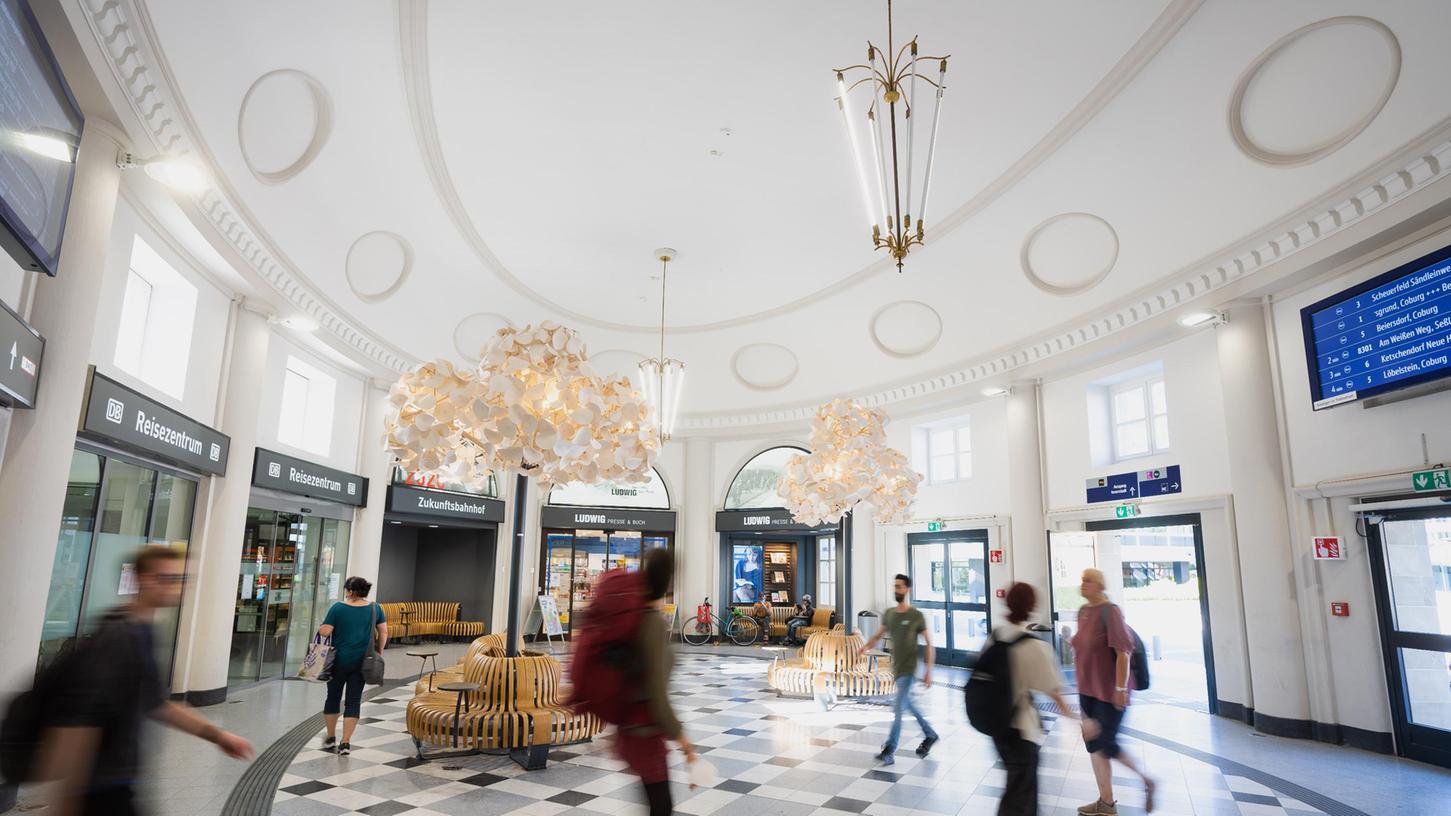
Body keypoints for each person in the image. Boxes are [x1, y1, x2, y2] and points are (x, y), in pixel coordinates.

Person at [36, 546, 254, 815]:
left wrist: (219, 736)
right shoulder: (118, 638)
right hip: (97, 789)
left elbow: (156, 704)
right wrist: (66, 801)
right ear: (141, 579)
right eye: (166, 579)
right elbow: (80, 723)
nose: (175, 587)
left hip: (122, 781)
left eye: (180, 580)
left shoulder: (144, 631)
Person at [617, 548, 695, 816]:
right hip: (644, 730)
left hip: (631, 726)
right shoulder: (652, 624)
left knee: (658, 803)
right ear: (668, 581)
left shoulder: (636, 615)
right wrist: (681, 739)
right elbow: (657, 693)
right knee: (662, 807)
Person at [990, 583, 1078, 816]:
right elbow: (1054, 691)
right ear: (1032, 607)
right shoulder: (1035, 647)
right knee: (1019, 799)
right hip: (1022, 731)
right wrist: (1079, 719)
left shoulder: (996, 636)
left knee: (1018, 791)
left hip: (998, 728)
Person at [1072, 569, 1155, 815]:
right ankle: (1106, 802)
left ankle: (1146, 780)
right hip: (1087, 689)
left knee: (1106, 744)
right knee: (1094, 745)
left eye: (1088, 580)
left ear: (1100, 585)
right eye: (1082, 580)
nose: (1083, 584)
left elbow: (1123, 653)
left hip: (1109, 691)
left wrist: (1120, 688)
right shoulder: (1083, 612)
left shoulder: (1111, 612)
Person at [856, 574, 938, 765]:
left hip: (910, 671)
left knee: (898, 710)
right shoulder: (890, 613)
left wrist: (928, 671)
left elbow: (929, 643)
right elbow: (878, 635)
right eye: (895, 586)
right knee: (907, 704)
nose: (896, 590)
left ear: (907, 589)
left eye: (899, 587)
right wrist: (864, 646)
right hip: (897, 668)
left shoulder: (916, 616)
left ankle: (889, 749)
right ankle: (930, 734)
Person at [317, 576, 387, 756]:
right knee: (353, 701)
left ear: (349, 590)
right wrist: (379, 651)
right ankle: (345, 742)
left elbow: (325, 631)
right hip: (362, 662)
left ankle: (331, 737)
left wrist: (321, 626)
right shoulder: (375, 608)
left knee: (332, 697)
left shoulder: (338, 608)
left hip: (337, 661)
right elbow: (384, 630)